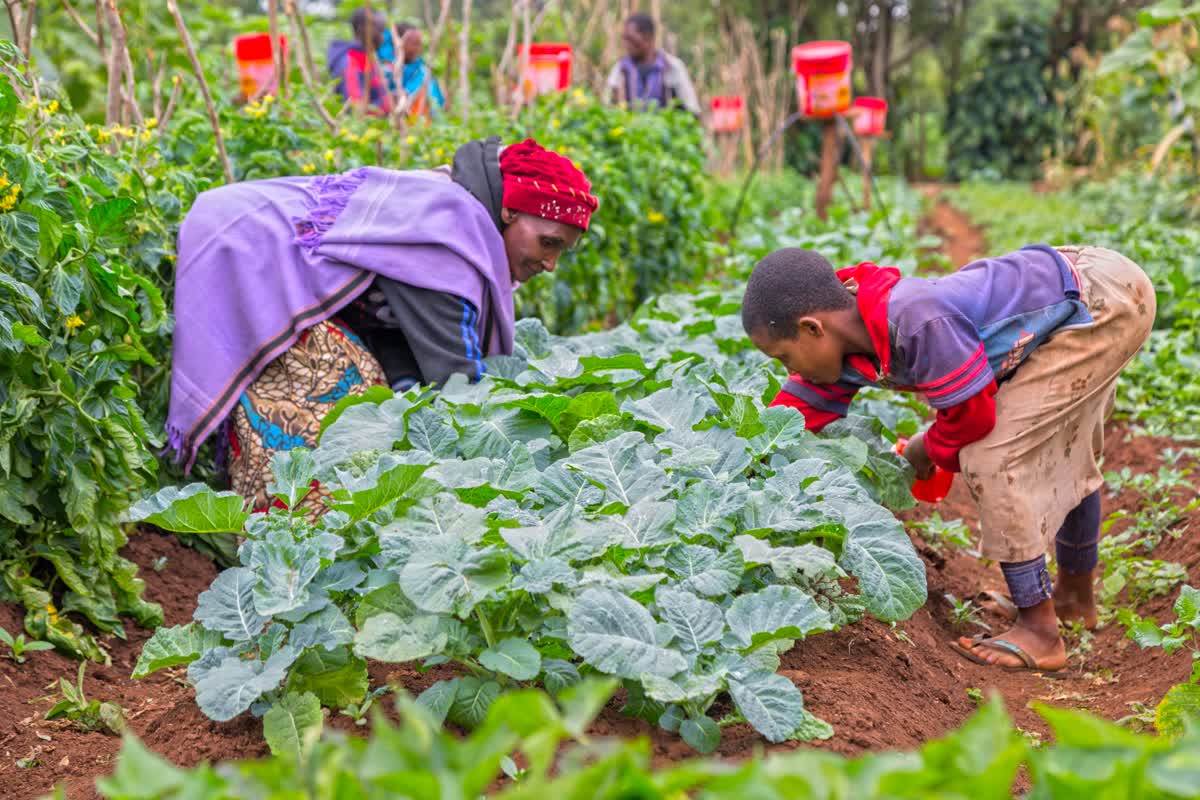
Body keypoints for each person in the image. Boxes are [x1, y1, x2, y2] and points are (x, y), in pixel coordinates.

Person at [740, 245, 1156, 673]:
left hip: (1101, 300)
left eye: (784, 357)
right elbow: (793, 414)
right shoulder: (848, 342)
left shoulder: (917, 320)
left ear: (812, 328)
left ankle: (1040, 630)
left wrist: (927, 447)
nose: (792, 370)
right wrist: (743, 461)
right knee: (1060, 448)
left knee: (990, 456)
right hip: (1072, 296)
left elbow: (974, 416)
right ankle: (1072, 599)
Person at [166, 138, 598, 512]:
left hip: (249, 238)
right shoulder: (450, 238)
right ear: (509, 212)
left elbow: (398, 334)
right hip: (239, 247)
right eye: (548, 242)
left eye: (563, 251)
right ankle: (282, 546)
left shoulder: (459, 216)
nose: (551, 263)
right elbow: (456, 384)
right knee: (320, 416)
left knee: (367, 395)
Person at [604, 13, 700, 115]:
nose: (626, 45)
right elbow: (606, 107)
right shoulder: (620, 69)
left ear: (648, 37)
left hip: (666, 129)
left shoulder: (672, 67)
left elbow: (692, 110)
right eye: (625, 39)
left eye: (630, 39)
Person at [328, 7, 393, 115]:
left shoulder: (370, 59)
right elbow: (355, 109)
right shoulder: (350, 62)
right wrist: (387, 106)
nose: (382, 38)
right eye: (379, 31)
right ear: (363, 30)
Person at [383, 22, 445, 120]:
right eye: (414, 44)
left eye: (420, 44)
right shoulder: (385, 67)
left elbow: (435, 103)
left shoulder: (421, 72)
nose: (418, 49)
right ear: (398, 42)